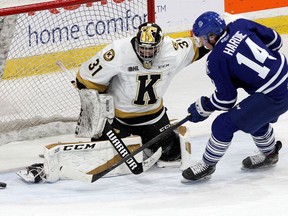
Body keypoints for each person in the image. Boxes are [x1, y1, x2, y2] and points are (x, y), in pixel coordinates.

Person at [76, 22, 209, 164]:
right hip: (119, 119)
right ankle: (141, 143)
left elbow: (200, 46)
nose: (146, 53)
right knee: (101, 158)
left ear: (159, 46)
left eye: (150, 50)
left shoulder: (172, 50)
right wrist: (101, 107)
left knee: (172, 152)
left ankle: (148, 144)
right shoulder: (118, 52)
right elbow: (85, 78)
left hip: (153, 117)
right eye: (143, 48)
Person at [182, 11, 288, 181]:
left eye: (202, 38)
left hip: (273, 95)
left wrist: (204, 106)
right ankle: (270, 154)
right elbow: (276, 41)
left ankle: (207, 165)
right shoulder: (240, 25)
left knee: (223, 124)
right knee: (253, 117)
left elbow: (226, 100)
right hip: (285, 75)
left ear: (212, 36)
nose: (201, 42)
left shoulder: (215, 60)